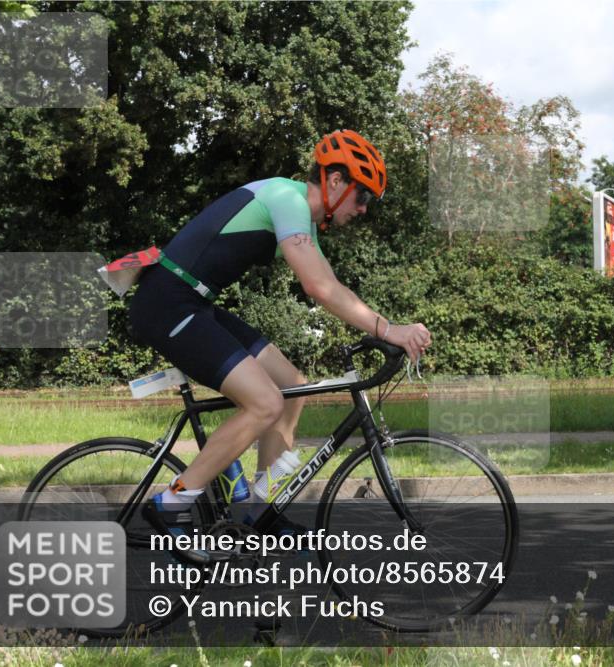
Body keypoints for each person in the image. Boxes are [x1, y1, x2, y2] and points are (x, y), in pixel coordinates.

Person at [129, 129, 432, 540]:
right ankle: (174, 501)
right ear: (336, 181)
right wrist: (391, 330)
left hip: (194, 303)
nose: (363, 210)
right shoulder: (287, 199)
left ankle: (255, 512)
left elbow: (332, 286)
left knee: (292, 385)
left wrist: (386, 327)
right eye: (363, 197)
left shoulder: (302, 220)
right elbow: (317, 288)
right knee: (266, 403)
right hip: (168, 303)